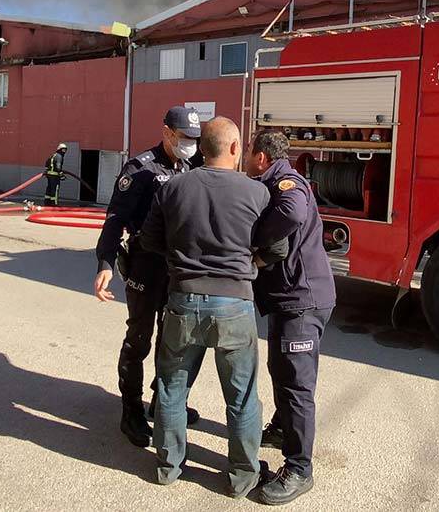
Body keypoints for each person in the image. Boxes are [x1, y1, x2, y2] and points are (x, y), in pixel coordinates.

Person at [140, 117, 286, 498]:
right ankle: (242, 477)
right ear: (236, 148)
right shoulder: (257, 193)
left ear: (201, 148)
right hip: (235, 305)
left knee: (172, 389)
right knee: (240, 396)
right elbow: (278, 247)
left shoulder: (173, 187)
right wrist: (249, 263)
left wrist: (181, 258)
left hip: (182, 300)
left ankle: (169, 466)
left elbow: (149, 240)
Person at [93, 106, 203, 447]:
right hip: (144, 266)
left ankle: (163, 401)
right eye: (184, 138)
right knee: (139, 339)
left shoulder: (193, 165)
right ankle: (131, 411)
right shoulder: (140, 169)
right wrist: (105, 264)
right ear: (167, 132)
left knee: (173, 341)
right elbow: (115, 219)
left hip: (177, 269)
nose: (190, 144)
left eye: (195, 139)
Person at [246, 129, 337, 506]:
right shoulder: (270, 181)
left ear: (262, 157)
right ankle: (284, 429)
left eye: (249, 154)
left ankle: (300, 468)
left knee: (296, 383)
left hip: (302, 301)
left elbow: (293, 211)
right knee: (281, 369)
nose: (246, 160)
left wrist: (256, 238)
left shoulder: (286, 182)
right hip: (290, 299)